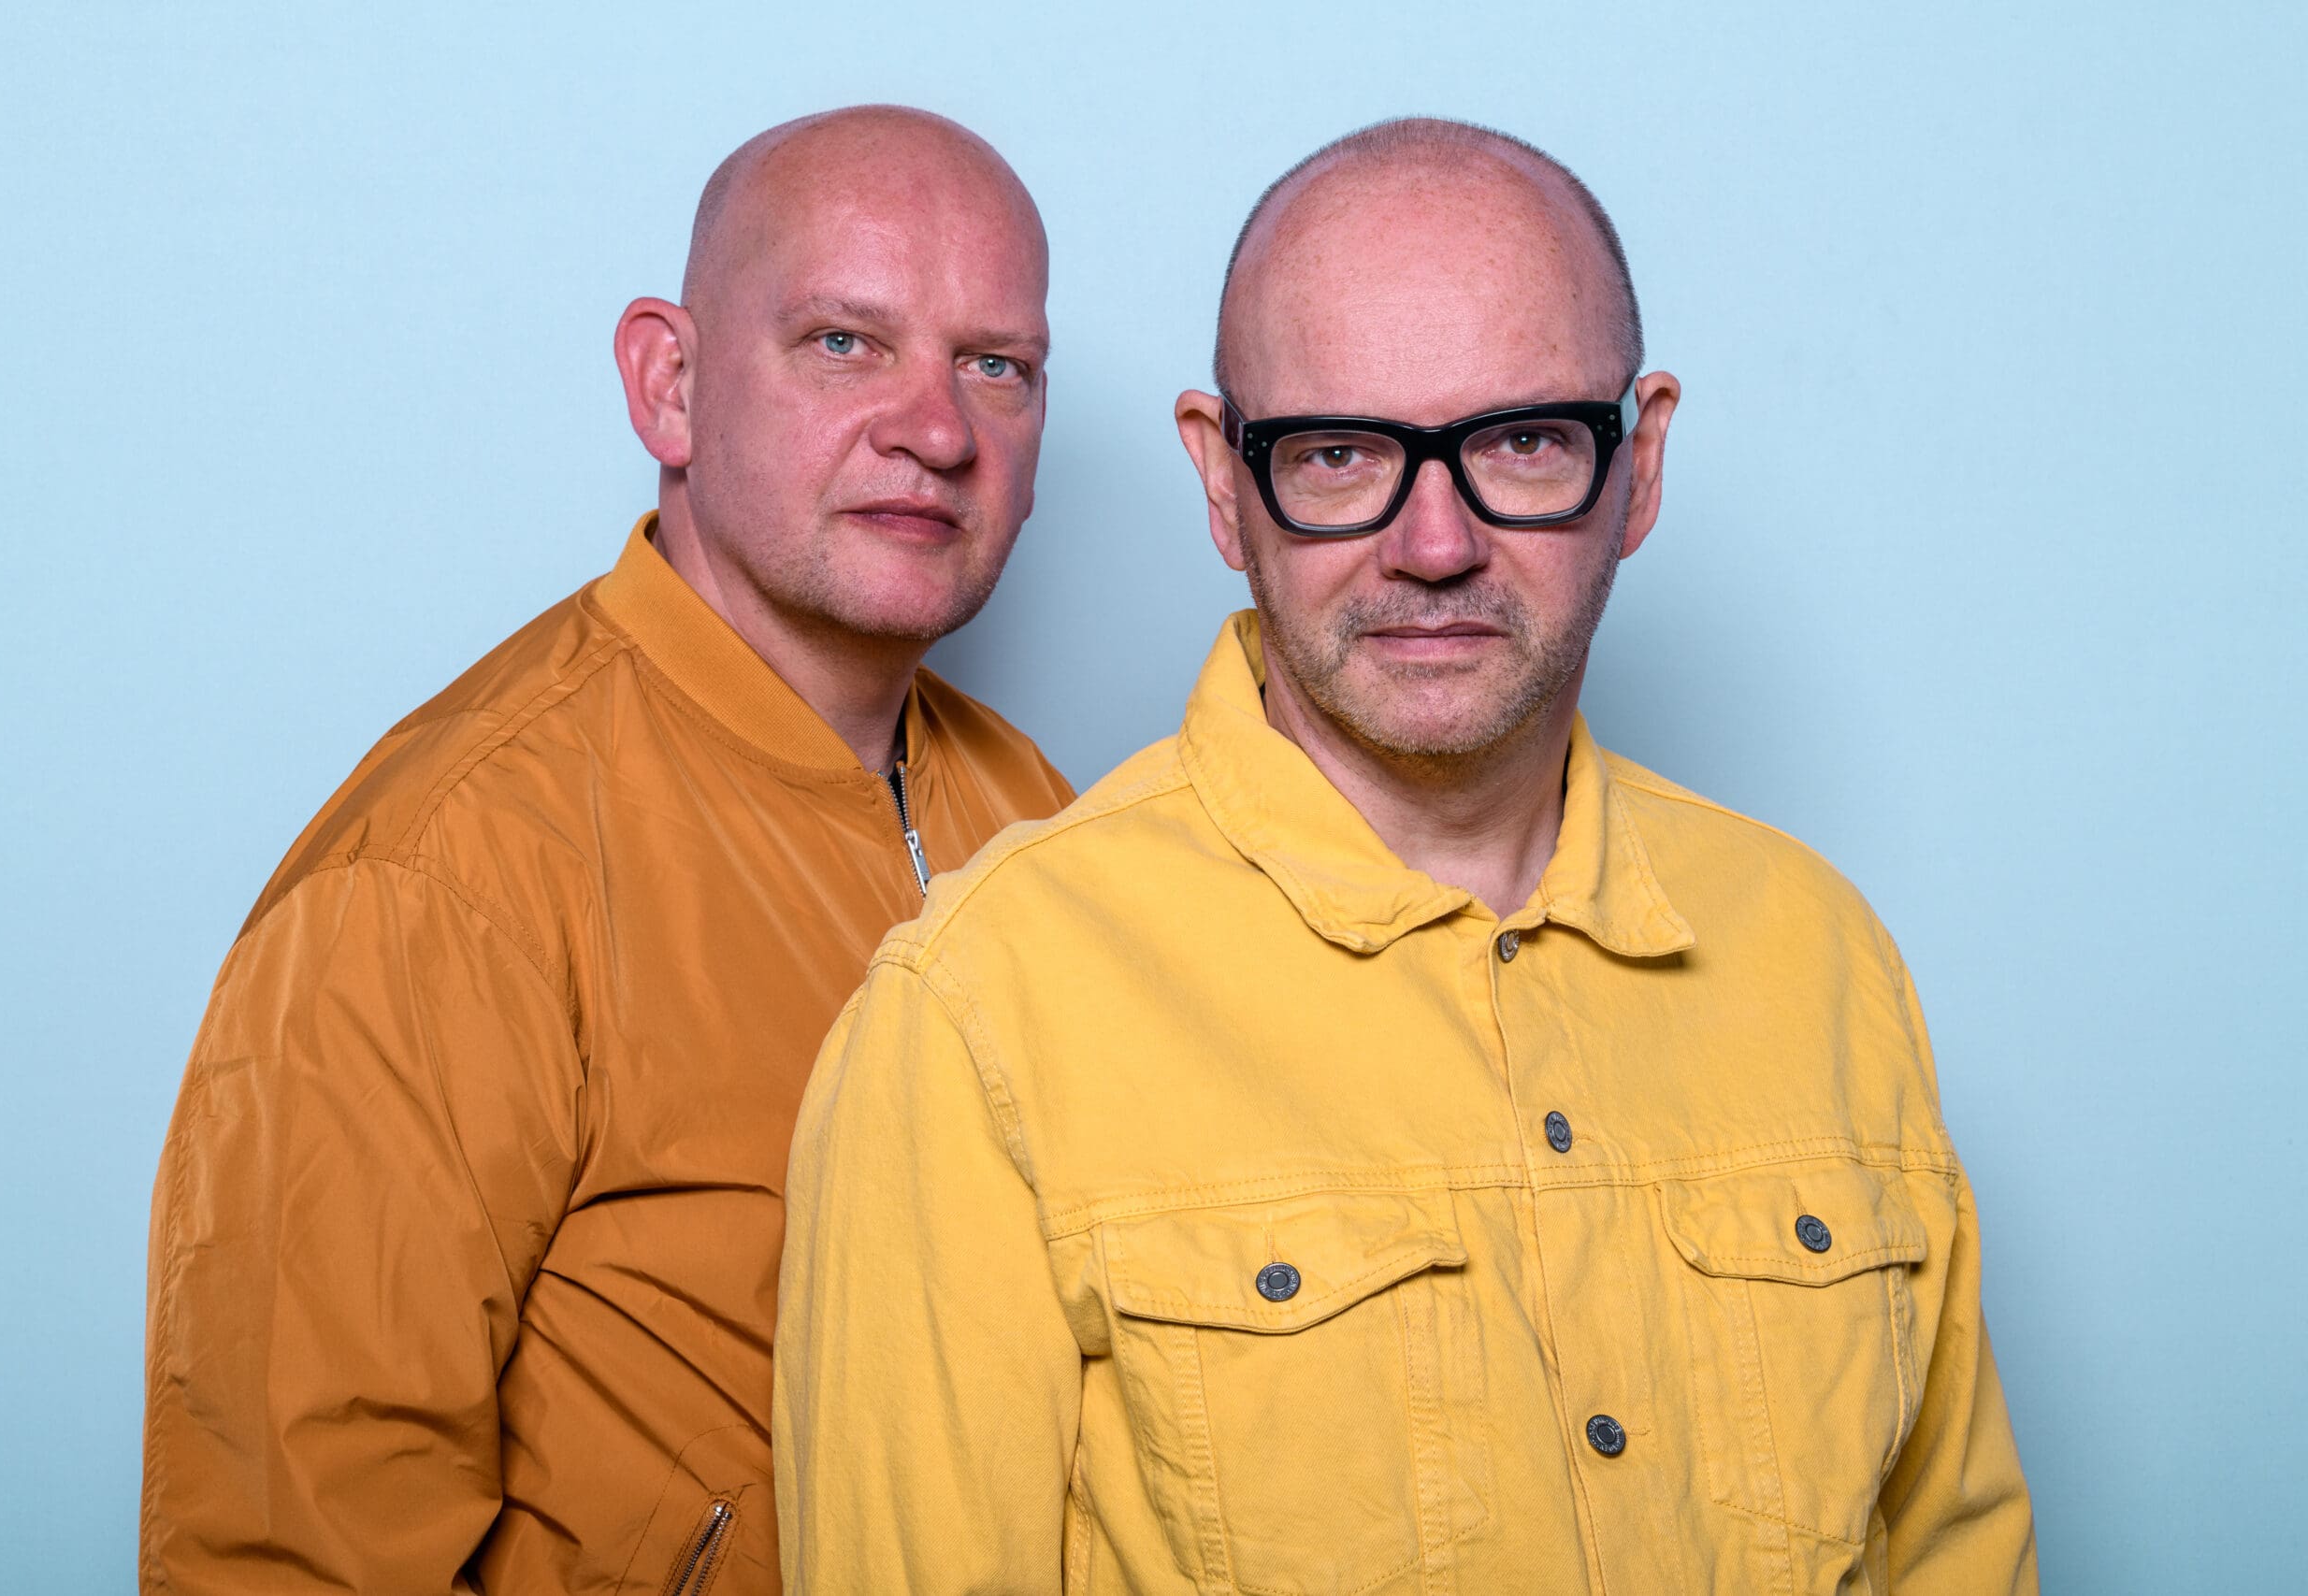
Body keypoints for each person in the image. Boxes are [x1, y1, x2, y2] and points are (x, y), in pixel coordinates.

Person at [775, 117, 2038, 1593]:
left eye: (1522, 442)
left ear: (1639, 465)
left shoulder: (1819, 953)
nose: (1435, 545)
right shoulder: (981, 1014)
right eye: (1338, 454)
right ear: (1222, 481)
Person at [140, 105, 1070, 1595]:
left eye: (995, 365)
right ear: (669, 386)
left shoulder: (1041, 818)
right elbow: (284, 1557)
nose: (939, 430)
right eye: (844, 342)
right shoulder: (443, 875)